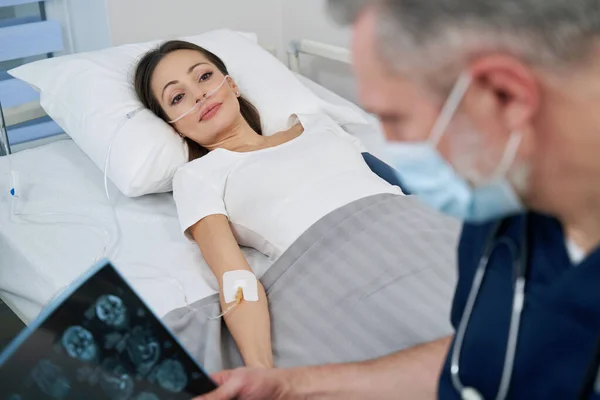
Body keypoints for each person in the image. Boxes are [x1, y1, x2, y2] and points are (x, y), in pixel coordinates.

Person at [193, 0, 600, 399]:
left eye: (396, 119)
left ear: (506, 96)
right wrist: (292, 386)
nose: (389, 145)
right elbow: (474, 358)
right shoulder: (498, 224)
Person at [134, 41, 403, 370]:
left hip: (417, 226)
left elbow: (397, 184)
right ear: (173, 126)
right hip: (351, 266)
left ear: (231, 84)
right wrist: (262, 372)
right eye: (178, 97)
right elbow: (235, 279)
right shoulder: (199, 176)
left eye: (203, 77)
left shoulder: (318, 124)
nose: (199, 95)